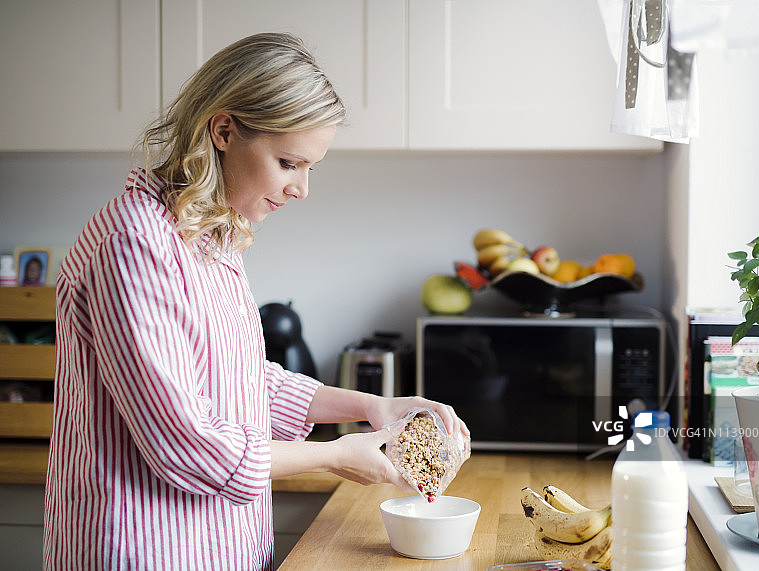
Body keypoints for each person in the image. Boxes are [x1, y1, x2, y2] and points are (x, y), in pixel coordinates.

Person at [43, 33, 468, 571]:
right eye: (290, 162)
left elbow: (242, 380)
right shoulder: (135, 241)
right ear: (223, 130)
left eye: (312, 167)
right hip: (150, 549)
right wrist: (337, 455)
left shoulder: (208, 235)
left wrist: (370, 407)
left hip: (223, 544)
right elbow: (186, 443)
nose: (302, 188)